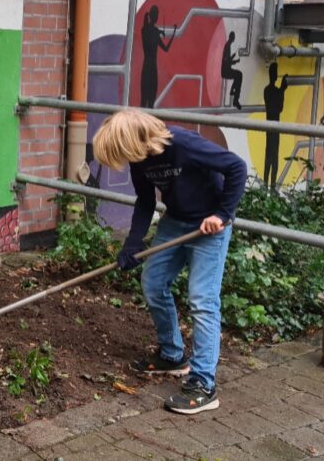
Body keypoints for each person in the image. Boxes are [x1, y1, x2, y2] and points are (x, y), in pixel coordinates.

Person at [93, 109, 245, 415]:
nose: (124, 162)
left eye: (121, 154)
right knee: (153, 282)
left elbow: (237, 168)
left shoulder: (184, 145)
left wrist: (222, 214)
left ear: (133, 142)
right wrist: (133, 243)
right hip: (175, 222)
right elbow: (147, 201)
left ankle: (203, 383)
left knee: (202, 299)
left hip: (209, 226)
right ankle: (173, 355)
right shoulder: (141, 159)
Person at [139, 6, 176, 108]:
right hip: (153, 70)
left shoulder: (144, 30)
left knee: (143, 100)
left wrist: (158, 31)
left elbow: (149, 29)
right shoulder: (155, 32)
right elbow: (166, 48)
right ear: (156, 17)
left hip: (145, 68)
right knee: (151, 102)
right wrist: (173, 34)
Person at [262, 62, 290, 187]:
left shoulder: (267, 90)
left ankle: (267, 183)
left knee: (270, 154)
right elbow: (279, 109)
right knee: (273, 156)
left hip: (270, 127)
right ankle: (270, 184)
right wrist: (282, 90)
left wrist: (282, 90)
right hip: (274, 126)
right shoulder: (271, 91)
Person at [220, 31, 243, 110]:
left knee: (238, 75)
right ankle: (235, 98)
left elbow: (227, 59)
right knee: (239, 75)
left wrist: (233, 56)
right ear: (232, 38)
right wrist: (235, 61)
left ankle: (233, 92)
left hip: (226, 70)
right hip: (226, 71)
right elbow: (226, 62)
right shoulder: (227, 46)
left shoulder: (228, 45)